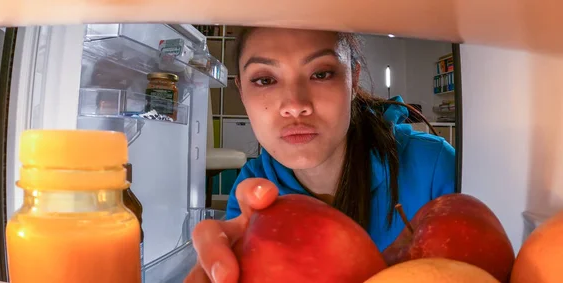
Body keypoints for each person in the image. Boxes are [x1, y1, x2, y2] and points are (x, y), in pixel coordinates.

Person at [185, 27, 456, 283]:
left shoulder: (434, 167)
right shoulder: (253, 195)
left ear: (353, 80)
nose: (295, 106)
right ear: (242, 92)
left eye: (321, 74)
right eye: (265, 80)